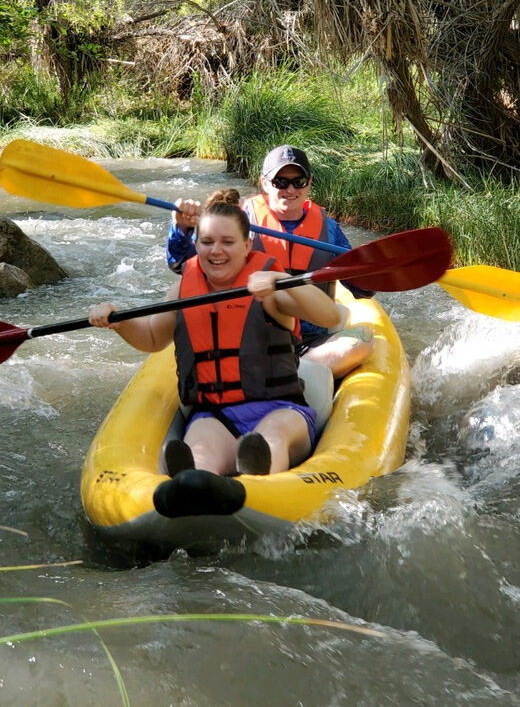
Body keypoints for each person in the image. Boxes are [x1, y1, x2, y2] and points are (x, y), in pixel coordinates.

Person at [90, 189, 342, 478]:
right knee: (201, 449)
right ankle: (194, 482)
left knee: (272, 436)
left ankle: (258, 474)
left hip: (281, 410)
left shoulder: (269, 289)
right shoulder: (183, 289)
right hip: (216, 414)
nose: (216, 250)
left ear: (247, 245)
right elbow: (151, 338)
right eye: (207, 242)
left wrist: (281, 279)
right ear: (196, 245)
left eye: (227, 242)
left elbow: (330, 316)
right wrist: (118, 322)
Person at [165, 145, 374, 379]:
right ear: (265, 183)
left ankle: (293, 371)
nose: (290, 189)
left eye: (299, 181)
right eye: (280, 182)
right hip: (252, 339)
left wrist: (373, 271)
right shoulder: (239, 220)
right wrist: (182, 228)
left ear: (309, 182)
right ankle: (292, 375)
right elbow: (184, 264)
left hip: (311, 342)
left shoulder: (329, 229)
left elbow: (362, 289)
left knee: (363, 340)